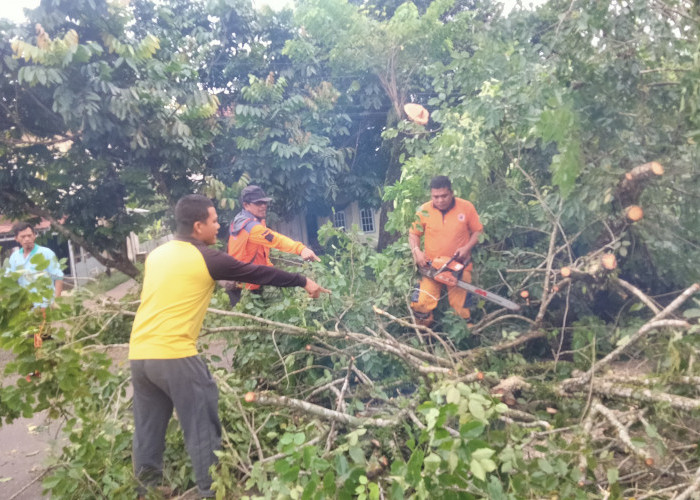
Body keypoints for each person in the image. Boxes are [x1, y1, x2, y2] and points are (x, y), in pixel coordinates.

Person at [128, 194, 329, 499]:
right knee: (201, 424)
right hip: (175, 355)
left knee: (147, 427)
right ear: (198, 226)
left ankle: (147, 489)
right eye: (213, 220)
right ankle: (213, 492)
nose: (218, 224)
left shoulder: (157, 254)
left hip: (140, 354)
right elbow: (258, 272)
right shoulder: (206, 257)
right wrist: (303, 280)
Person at [225, 185, 320, 306]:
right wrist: (301, 249)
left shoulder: (246, 220)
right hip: (243, 286)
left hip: (251, 280)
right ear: (246, 205)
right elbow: (276, 240)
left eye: (264, 202)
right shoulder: (250, 227)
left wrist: (270, 269)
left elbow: (260, 250)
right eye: (258, 203)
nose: (263, 206)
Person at [409, 176, 483, 326]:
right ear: (431, 195)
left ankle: (465, 341)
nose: (440, 200)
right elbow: (413, 234)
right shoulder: (424, 210)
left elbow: (478, 231)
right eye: (436, 197)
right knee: (421, 304)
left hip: (458, 266)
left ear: (451, 193)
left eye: (444, 196)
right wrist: (416, 251)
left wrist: (466, 247)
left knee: (461, 309)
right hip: (431, 267)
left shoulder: (466, 207)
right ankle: (424, 336)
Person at [7, 222, 64, 308]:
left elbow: (58, 277)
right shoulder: (14, 257)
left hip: (45, 305)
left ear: (34, 236)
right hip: (25, 307)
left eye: (29, 235)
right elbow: (10, 281)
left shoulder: (46, 253)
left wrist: (56, 301)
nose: (27, 239)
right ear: (16, 238)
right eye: (23, 236)